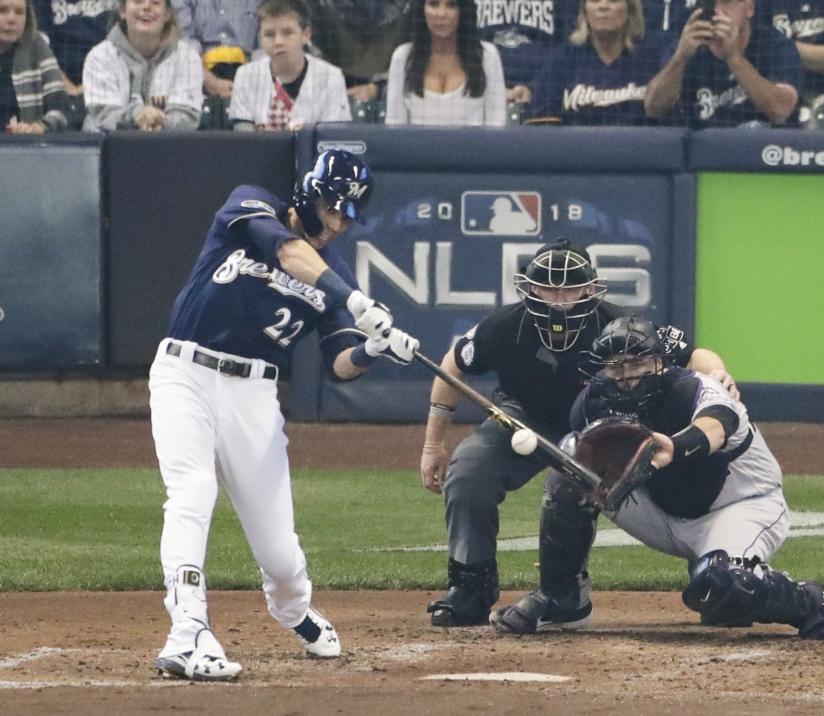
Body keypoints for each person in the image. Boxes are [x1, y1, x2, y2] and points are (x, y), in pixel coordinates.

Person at [150, 149, 420, 681]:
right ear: (308, 193)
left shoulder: (335, 273)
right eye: (332, 207)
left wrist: (374, 349)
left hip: (255, 396)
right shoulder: (250, 206)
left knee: (279, 553)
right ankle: (187, 632)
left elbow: (340, 364)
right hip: (185, 371)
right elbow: (290, 252)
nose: (338, 222)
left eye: (348, 215)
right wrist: (357, 298)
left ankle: (295, 611)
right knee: (192, 490)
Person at [420, 239, 739, 627]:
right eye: (548, 287)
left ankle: (715, 581)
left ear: (590, 289)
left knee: (680, 474)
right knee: (468, 472)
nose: (558, 298)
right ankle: (471, 587)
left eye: (569, 286)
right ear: (530, 288)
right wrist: (433, 444)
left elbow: (693, 354)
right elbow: (452, 365)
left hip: (604, 426)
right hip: (523, 420)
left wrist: (718, 375)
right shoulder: (504, 326)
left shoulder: (618, 323)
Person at [490, 316, 824, 642]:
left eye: (637, 364)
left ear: (661, 363)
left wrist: (674, 446)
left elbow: (716, 426)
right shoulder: (590, 404)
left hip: (740, 506)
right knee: (569, 467)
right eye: (616, 367)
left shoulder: (695, 388)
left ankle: (817, 607)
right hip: (660, 511)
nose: (627, 377)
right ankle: (562, 600)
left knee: (724, 584)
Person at [644, 0, 802, 127]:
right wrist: (680, 58)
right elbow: (653, 108)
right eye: (710, 3)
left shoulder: (774, 44)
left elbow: (781, 111)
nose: (718, 12)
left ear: (750, 8)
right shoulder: (688, 47)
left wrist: (734, 59)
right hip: (707, 154)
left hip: (766, 153)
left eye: (726, 2)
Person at [525, 0, 664, 126]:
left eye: (613, 1)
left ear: (630, 11)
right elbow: (543, 119)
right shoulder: (562, 59)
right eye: (594, 0)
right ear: (585, 12)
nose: (603, 6)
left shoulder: (650, 59)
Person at [229, 0, 351, 132]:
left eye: (287, 33)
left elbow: (333, 136)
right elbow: (243, 133)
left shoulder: (331, 76)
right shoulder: (245, 75)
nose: (278, 42)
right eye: (269, 34)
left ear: (305, 35)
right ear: (260, 40)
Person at [82, 0, 203, 132]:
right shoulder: (99, 56)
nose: (146, 7)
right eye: (138, 1)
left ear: (167, 14)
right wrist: (136, 116)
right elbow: (104, 116)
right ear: (122, 10)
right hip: (109, 149)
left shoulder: (187, 57)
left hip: (169, 148)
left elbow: (186, 117)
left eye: (155, 3)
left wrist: (156, 122)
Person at [385, 0, 507, 126]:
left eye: (451, 5)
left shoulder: (487, 56)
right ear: (422, 9)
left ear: (463, 11)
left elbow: (496, 123)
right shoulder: (402, 57)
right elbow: (394, 125)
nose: (441, 14)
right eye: (433, 4)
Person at [475, 0, 580, 105]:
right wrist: (491, 89)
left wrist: (532, 90)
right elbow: (464, 45)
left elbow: (572, 47)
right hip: (480, 91)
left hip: (544, 95)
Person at [308, 0, 411, 106]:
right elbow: (304, 46)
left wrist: (380, 87)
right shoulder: (317, 5)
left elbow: (418, 52)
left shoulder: (412, 6)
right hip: (332, 92)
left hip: (396, 89)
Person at [1, 0, 81, 132]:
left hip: (23, 149)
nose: (11, 19)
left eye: (19, 12)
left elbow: (63, 109)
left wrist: (40, 127)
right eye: (3, 10)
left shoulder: (37, 47)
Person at [170, 0, 259, 100]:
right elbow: (182, 40)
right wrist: (208, 80)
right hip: (196, 74)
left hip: (252, 78)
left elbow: (266, 44)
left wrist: (250, 79)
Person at [34, 0, 118, 96]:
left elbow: (125, 42)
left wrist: (92, 87)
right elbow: (38, 48)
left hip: (109, 82)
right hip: (58, 87)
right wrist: (71, 89)